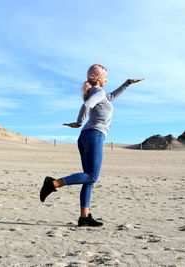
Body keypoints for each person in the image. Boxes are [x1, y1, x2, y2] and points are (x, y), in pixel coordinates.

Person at [40, 64, 144, 227]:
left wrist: (127, 83)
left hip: (86, 137)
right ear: (98, 77)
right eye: (105, 76)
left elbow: (111, 96)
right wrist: (79, 122)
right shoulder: (98, 92)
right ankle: (53, 183)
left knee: (88, 178)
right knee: (92, 176)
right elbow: (87, 105)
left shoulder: (100, 93)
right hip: (94, 135)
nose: (107, 79)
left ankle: (84, 217)